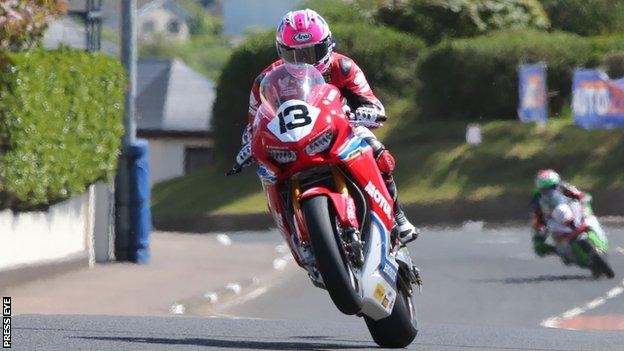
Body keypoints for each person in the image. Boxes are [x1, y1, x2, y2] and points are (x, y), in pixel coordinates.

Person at [230, 9, 418, 244]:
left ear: (328, 45)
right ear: (282, 52)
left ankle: (398, 216)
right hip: (291, 140)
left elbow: (372, 102)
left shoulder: (343, 67)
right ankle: (295, 233)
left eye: (313, 52)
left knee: (375, 148)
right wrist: (250, 144)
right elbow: (254, 122)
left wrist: (368, 111)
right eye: (295, 55)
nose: (305, 62)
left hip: (341, 129)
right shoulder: (266, 80)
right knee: (267, 173)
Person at [530, 169, 588, 257]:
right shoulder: (537, 198)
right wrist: (539, 232)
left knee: (585, 215)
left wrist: (583, 202)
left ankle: (593, 237)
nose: (550, 192)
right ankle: (561, 251)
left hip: (570, 210)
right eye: (545, 189)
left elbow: (582, 196)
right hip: (551, 220)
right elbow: (537, 218)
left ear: (557, 184)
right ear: (540, 189)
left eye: (552, 187)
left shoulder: (565, 187)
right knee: (538, 247)